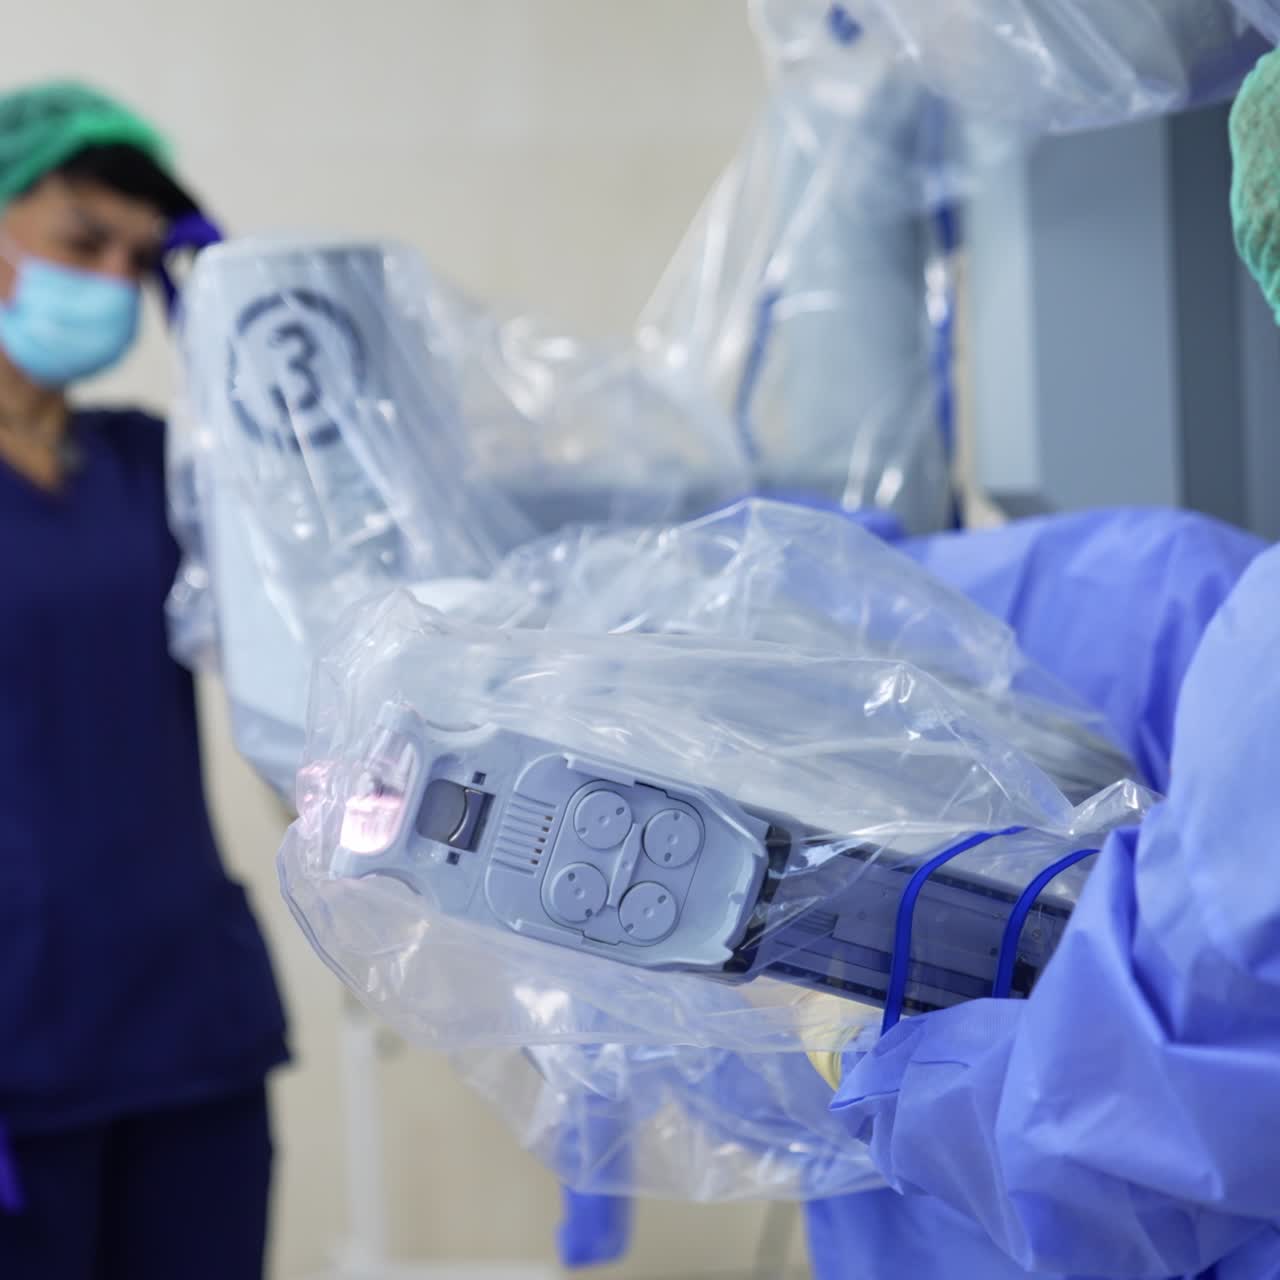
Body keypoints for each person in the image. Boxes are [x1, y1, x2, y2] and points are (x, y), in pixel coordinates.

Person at [0, 82, 287, 1279]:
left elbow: (335, 525)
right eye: (81, 242)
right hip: (19, 1054)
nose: (112, 280)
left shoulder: (145, 462)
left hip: (186, 1023)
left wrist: (236, 315)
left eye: (139, 256)